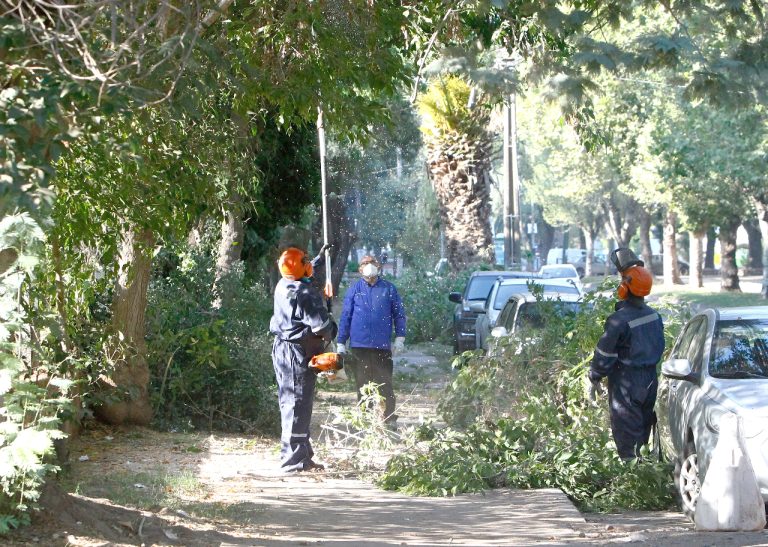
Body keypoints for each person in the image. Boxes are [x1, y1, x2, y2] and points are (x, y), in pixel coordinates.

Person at [588, 248, 665, 460]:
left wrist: (594, 377)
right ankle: (643, 470)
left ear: (625, 287)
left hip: (627, 383)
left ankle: (633, 479)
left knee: (627, 438)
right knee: (642, 434)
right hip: (650, 380)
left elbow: (605, 354)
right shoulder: (654, 316)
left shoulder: (619, 320)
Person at [269, 246, 337, 472]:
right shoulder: (305, 294)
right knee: (297, 403)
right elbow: (323, 327)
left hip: (284, 349)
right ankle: (293, 461)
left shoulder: (283, 284)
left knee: (294, 402)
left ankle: (302, 455)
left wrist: (318, 259)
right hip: (297, 352)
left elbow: (302, 274)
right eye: (306, 261)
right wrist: (331, 323)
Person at [337, 255, 406, 425]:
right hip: (359, 347)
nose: (369, 266)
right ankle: (366, 418)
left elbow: (399, 315)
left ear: (379, 267)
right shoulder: (354, 290)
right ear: (360, 269)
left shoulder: (389, 289)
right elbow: (346, 316)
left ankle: (389, 418)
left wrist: (400, 338)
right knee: (362, 384)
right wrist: (341, 342)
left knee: (385, 383)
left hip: (382, 346)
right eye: (365, 263)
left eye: (372, 263)